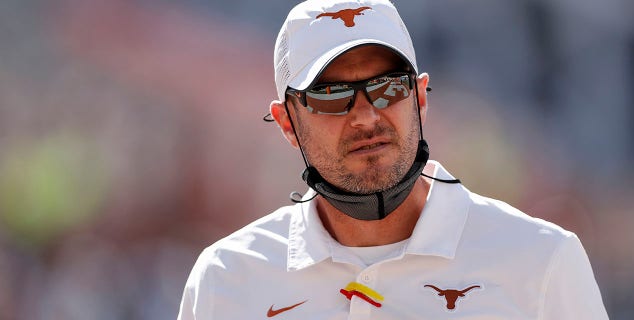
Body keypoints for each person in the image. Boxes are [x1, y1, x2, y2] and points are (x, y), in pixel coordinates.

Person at [178, 0, 608, 318]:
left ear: (419, 97)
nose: (366, 116)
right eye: (332, 95)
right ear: (287, 123)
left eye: (389, 87)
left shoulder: (542, 261)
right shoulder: (226, 278)